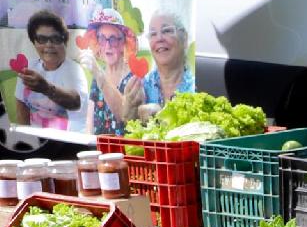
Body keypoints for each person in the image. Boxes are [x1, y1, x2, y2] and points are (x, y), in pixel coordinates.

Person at [12, 10, 89, 130]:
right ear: (34, 42)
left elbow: (76, 102)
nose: (49, 45)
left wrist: (46, 88)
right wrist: (28, 141)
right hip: (37, 140)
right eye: (42, 39)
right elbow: (21, 107)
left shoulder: (74, 70)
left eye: (55, 39)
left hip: (67, 141)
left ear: (65, 41)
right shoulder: (29, 68)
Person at [79, 8, 143, 136]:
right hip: (98, 152)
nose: (107, 45)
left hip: (123, 153)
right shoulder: (98, 75)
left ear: (123, 43)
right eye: (102, 38)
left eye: (113, 39)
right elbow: (89, 122)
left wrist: (98, 74)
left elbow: (125, 115)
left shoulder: (133, 78)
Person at [138, 10, 194, 116]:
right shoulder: (141, 85)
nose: (159, 38)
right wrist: (131, 110)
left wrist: (161, 115)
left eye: (167, 31)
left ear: (184, 38)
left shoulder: (196, 87)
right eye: (153, 34)